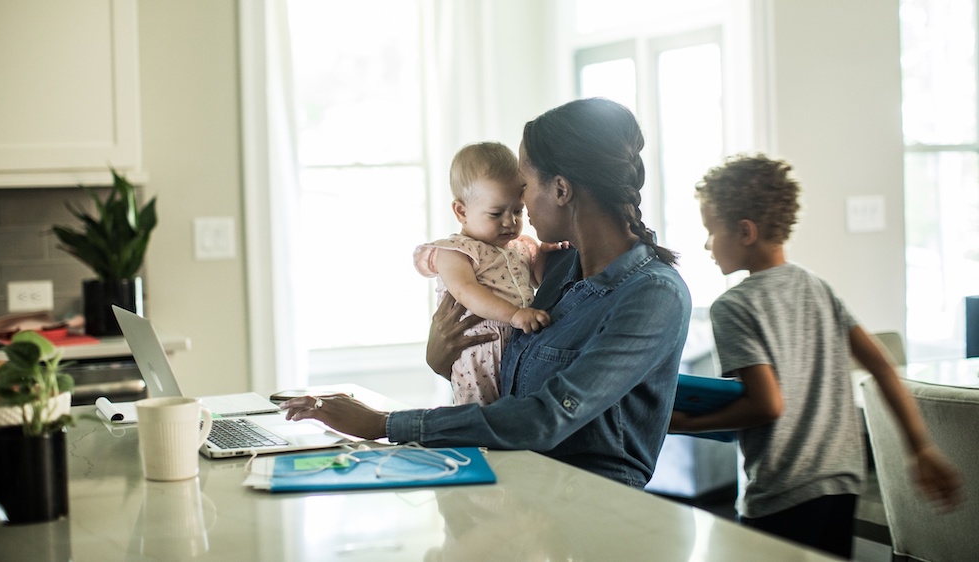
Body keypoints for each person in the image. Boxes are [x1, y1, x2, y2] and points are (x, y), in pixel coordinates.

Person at [282, 98, 692, 489]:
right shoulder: (558, 270)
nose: (521, 204)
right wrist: (442, 358)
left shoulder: (653, 295)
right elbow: (513, 386)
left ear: (562, 190)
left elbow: (546, 417)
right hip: (515, 484)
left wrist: (386, 424)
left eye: (525, 185)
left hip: (591, 509)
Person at [670, 153, 963, 559]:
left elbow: (767, 405)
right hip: (841, 482)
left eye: (710, 231)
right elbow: (881, 365)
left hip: (782, 491)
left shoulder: (734, 306)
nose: (706, 244)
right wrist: (919, 447)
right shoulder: (816, 286)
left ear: (744, 231)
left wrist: (686, 423)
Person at [413, 141, 552, 406]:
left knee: (516, 415)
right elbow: (466, 292)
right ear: (462, 211)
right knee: (478, 416)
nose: (510, 222)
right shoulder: (455, 251)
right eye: (496, 213)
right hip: (479, 349)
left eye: (517, 211)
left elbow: (540, 280)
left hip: (520, 341)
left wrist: (546, 251)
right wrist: (513, 314)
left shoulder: (520, 247)